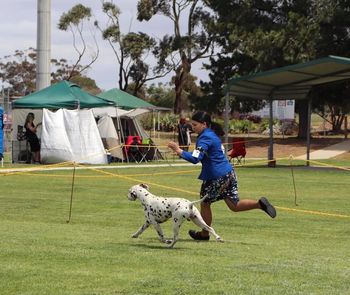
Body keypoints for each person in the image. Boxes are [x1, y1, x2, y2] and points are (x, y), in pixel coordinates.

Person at [168, 111, 276, 241]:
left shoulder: (205, 138)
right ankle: (259, 204)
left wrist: (178, 150)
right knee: (234, 205)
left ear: (204, 124)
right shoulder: (211, 135)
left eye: (195, 124)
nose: (193, 127)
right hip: (228, 173)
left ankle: (204, 234)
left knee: (205, 203)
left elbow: (196, 158)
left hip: (216, 177)